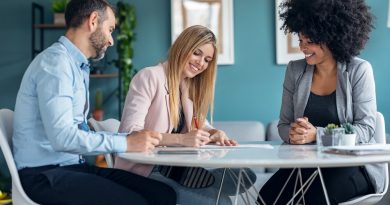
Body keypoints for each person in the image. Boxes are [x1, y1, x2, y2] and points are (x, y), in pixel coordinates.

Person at [12, 0, 176, 204]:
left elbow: (78, 132)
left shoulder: (77, 66)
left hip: (71, 167)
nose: (111, 40)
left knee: (163, 194)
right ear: (93, 20)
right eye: (110, 30)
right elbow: (63, 138)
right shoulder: (55, 64)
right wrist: (126, 143)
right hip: (43, 175)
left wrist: (131, 138)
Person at [258, 0, 386, 204]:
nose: (302, 47)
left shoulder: (359, 71)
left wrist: (317, 134)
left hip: (352, 166)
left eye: (309, 41)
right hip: (306, 165)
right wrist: (294, 134)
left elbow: (366, 129)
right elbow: (283, 125)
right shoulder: (295, 70)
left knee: (317, 198)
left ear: (330, 37)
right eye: (300, 40)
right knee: (266, 197)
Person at [114, 25, 255, 204]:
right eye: (196, 53)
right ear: (183, 47)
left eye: (207, 59)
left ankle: (207, 186)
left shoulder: (187, 86)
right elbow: (130, 133)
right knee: (220, 200)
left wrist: (213, 133)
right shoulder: (149, 77)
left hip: (175, 165)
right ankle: (209, 188)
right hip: (146, 170)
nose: (201, 63)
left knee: (244, 176)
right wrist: (182, 140)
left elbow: (199, 124)